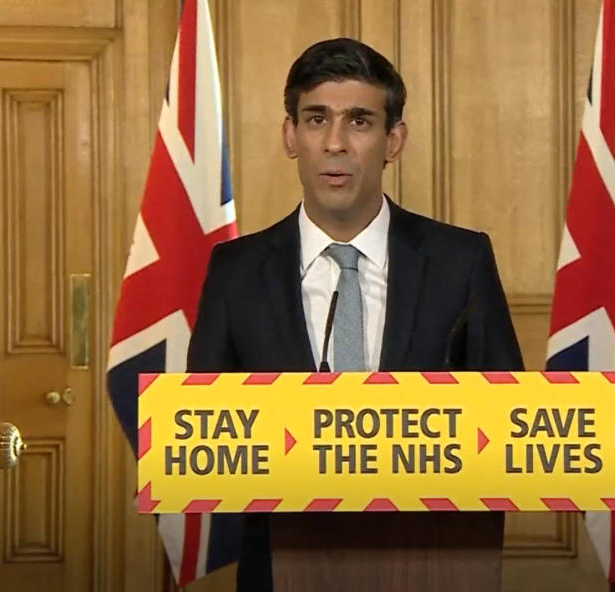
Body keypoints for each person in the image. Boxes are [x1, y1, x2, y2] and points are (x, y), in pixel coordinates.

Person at [188, 37, 523, 592]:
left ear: (393, 140)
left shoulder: (460, 260)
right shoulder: (235, 271)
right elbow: (200, 431)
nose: (336, 143)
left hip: (431, 563)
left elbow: (510, 419)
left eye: (360, 121)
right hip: (278, 564)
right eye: (317, 119)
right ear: (290, 136)